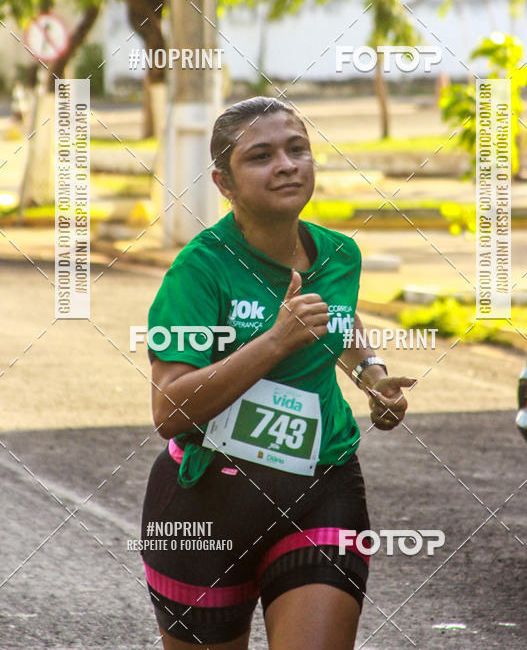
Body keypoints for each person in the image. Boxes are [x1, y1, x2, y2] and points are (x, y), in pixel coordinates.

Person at [141, 97, 416, 650]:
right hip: (207, 501)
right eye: (261, 156)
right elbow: (169, 410)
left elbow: (339, 318)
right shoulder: (200, 269)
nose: (287, 165)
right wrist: (275, 341)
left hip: (322, 482)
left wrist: (371, 373)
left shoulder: (339, 254)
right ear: (224, 182)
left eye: (297, 149)